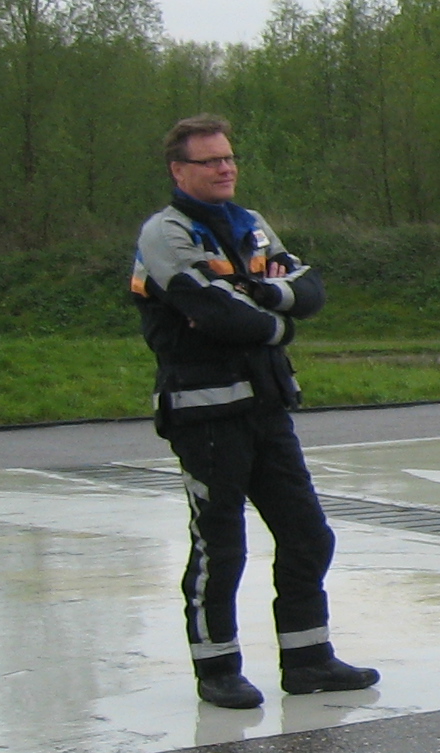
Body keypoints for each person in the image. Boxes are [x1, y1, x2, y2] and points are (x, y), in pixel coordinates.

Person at [131, 115, 376, 713]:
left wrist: (265, 295)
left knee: (308, 535)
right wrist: (277, 322)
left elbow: (308, 288)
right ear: (179, 171)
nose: (225, 168)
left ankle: (308, 660)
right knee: (221, 547)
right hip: (205, 415)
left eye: (228, 157)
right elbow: (214, 311)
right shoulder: (165, 234)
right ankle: (218, 669)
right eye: (210, 160)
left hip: (267, 409)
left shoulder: (251, 225)